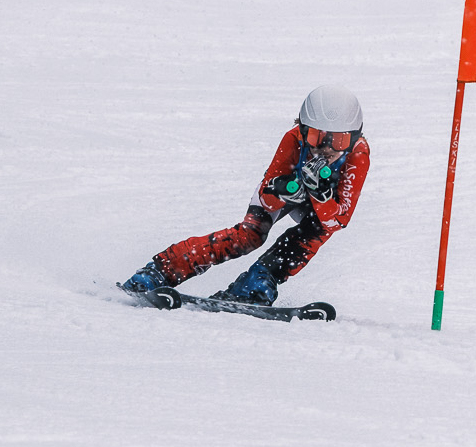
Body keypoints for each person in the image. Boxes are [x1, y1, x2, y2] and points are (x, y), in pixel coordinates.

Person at [121, 85, 371, 306]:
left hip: (322, 207)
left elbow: (338, 220)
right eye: (316, 137)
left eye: (338, 141)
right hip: (290, 192)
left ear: (354, 138)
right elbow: (266, 197)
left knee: (309, 236)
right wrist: (284, 190)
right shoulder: (293, 139)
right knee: (249, 235)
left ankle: (258, 281)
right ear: (303, 130)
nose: (325, 148)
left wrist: (321, 197)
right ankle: (162, 270)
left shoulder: (358, 155)